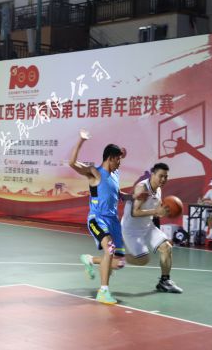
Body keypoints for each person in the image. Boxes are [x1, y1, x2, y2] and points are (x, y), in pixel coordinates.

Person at [70, 129, 126, 305]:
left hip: (113, 221)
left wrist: (132, 197)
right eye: (118, 159)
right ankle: (103, 291)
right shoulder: (95, 172)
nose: (120, 163)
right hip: (97, 218)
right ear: (110, 158)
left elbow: (116, 193)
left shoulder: (116, 174)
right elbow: (72, 163)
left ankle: (90, 259)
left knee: (119, 263)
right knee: (109, 248)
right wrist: (81, 140)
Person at [121, 163, 183, 293]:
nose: (163, 179)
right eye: (161, 176)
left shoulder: (158, 189)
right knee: (143, 260)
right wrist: (156, 211)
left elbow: (156, 209)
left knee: (166, 247)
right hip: (131, 230)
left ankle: (164, 282)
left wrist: (162, 212)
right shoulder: (142, 188)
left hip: (147, 226)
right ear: (153, 174)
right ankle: (116, 258)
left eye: (166, 177)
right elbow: (134, 212)